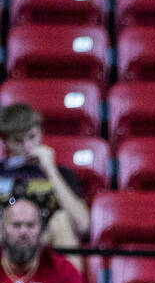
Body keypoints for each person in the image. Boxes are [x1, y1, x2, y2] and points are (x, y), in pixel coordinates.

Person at [0, 104, 90, 263]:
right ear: (6, 142)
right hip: (6, 243)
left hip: (46, 245)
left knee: (61, 220)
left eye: (32, 137)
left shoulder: (63, 174)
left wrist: (51, 170)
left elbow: (82, 224)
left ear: (41, 133)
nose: (27, 146)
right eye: (18, 141)